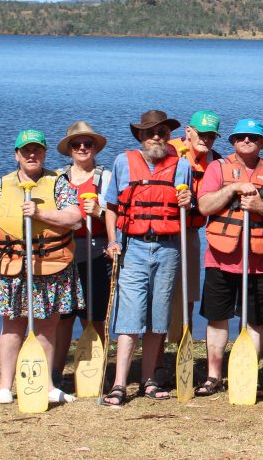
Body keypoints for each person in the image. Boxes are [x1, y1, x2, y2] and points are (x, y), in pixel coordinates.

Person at [0, 129, 83, 405]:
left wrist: (40, 214)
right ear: (17, 155)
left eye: (37, 149)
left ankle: (47, 385)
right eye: (26, 150)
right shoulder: (2, 185)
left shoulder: (58, 183)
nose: (32, 154)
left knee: (46, 327)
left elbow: (75, 218)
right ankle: (5, 386)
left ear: (44, 153)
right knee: (12, 326)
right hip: (10, 267)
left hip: (49, 266)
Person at [194, 119, 263, 396]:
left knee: (256, 320)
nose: (247, 141)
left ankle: (247, 372)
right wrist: (233, 188)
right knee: (216, 318)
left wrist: (260, 206)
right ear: (234, 142)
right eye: (241, 137)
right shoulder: (217, 168)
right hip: (221, 257)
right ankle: (213, 376)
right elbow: (204, 206)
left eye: (253, 137)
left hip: (260, 261)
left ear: (262, 143)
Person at [102, 110, 192, 406]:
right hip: (134, 247)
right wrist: (113, 240)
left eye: (162, 132)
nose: (157, 137)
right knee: (130, 316)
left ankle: (149, 379)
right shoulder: (122, 162)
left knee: (159, 315)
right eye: (150, 132)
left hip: (168, 248)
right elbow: (112, 206)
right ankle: (119, 384)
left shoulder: (181, 166)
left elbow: (188, 208)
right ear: (140, 136)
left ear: (169, 137)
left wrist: (187, 202)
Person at [53, 121, 112, 385]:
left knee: (95, 315)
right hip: (63, 255)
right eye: (76, 144)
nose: (82, 148)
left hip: (96, 253)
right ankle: (55, 371)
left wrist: (98, 211)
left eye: (87, 144)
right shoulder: (56, 178)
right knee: (63, 317)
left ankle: (95, 370)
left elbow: (117, 217)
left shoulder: (107, 178)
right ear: (69, 150)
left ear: (95, 148)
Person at [162, 110, 223, 366]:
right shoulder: (167, 152)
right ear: (188, 131)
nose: (206, 140)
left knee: (186, 293)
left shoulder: (216, 161)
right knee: (162, 293)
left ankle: (180, 350)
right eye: (201, 134)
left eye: (211, 136)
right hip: (163, 232)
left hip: (190, 232)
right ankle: (157, 356)